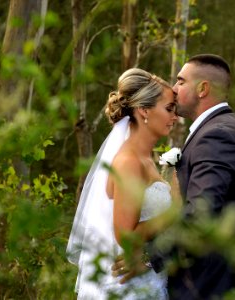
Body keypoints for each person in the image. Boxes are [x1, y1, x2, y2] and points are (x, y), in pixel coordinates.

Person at [113, 54, 235, 299]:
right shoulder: (220, 129)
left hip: (208, 284)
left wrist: (150, 259)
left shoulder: (217, 136)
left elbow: (201, 213)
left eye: (180, 81)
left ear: (203, 89)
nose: (174, 89)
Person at [66, 68, 179, 299]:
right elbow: (125, 237)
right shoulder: (128, 161)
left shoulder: (146, 158)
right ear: (144, 110)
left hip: (146, 280)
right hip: (129, 288)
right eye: (169, 108)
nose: (175, 117)